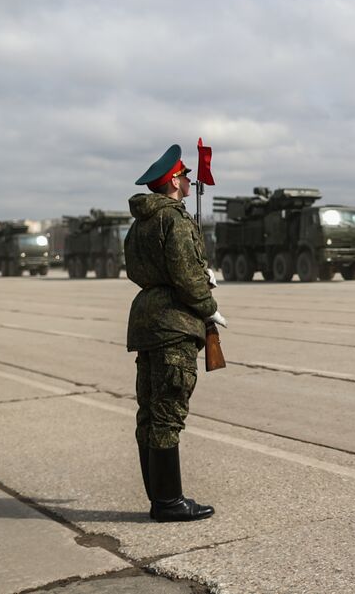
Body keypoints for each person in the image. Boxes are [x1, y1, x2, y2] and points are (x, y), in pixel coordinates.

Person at [125, 144, 225, 522]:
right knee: (168, 412)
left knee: (150, 412)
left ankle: (158, 496)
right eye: (183, 175)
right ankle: (169, 503)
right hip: (174, 324)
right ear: (172, 182)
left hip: (147, 321)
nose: (188, 180)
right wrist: (208, 305)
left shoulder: (140, 224)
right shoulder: (176, 220)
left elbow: (138, 271)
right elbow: (185, 274)